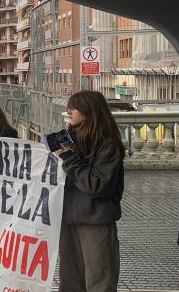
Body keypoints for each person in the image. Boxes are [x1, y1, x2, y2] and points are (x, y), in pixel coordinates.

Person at [55, 90, 124, 292]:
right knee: (70, 281)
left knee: (99, 280)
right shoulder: (69, 140)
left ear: (88, 110)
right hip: (68, 220)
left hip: (96, 221)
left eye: (73, 107)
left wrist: (69, 159)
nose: (68, 111)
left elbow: (97, 185)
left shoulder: (107, 145)